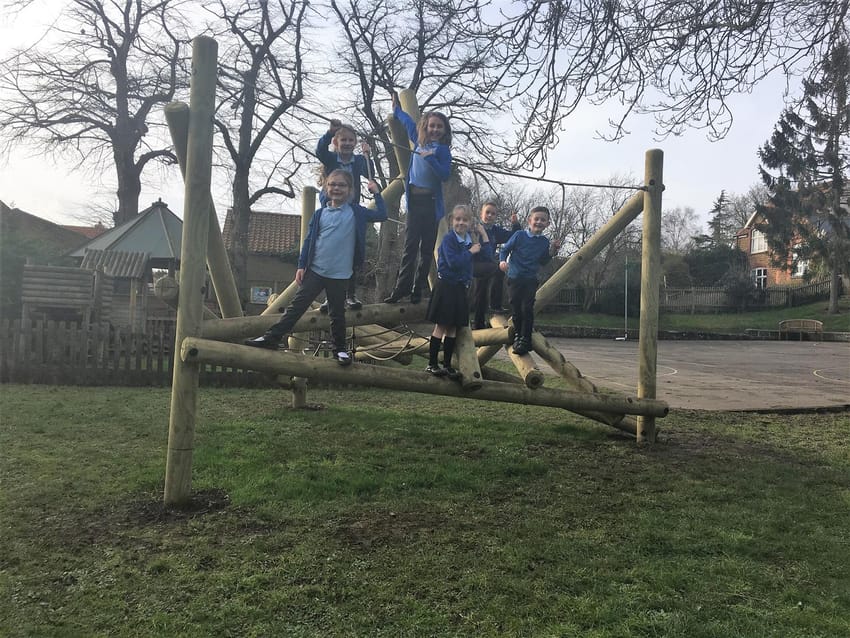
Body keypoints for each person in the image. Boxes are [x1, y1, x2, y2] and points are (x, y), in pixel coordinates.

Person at [244, 170, 387, 366]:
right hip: (317, 270)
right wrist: (302, 265)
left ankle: (340, 350)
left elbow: (382, 214)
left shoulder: (357, 212)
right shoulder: (320, 214)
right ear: (327, 188)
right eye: (333, 185)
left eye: (342, 185)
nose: (336, 188)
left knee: (337, 314)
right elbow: (310, 240)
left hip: (340, 273)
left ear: (350, 190)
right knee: (296, 307)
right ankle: (271, 338)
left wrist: (376, 193)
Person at [384, 92, 453, 305]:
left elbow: (444, 175)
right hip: (415, 203)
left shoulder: (442, 151)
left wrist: (431, 159)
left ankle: (418, 288)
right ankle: (400, 288)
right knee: (410, 247)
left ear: (444, 131)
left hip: (431, 205)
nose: (434, 129)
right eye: (431, 125)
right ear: (425, 127)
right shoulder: (417, 139)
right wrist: (396, 110)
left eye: (439, 127)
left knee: (426, 249)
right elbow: (406, 122)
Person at [315, 119, 375, 311]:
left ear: (355, 143)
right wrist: (329, 133)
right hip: (332, 209)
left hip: (350, 211)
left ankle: (350, 294)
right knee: (331, 252)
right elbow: (320, 151)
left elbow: (370, 173)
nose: (348, 143)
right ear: (336, 143)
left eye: (351, 140)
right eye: (344, 140)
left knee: (350, 252)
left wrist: (368, 155)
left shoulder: (357, 161)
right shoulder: (332, 159)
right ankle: (330, 297)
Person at [424, 204, 481, 378]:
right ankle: (432, 364)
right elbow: (453, 263)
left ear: (470, 222)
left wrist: (481, 237)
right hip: (447, 286)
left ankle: (447, 365)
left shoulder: (469, 241)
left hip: (460, 288)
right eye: (458, 219)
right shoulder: (450, 240)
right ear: (451, 221)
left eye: (465, 220)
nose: (461, 223)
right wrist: (470, 252)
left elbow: (472, 263)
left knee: (453, 329)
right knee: (441, 326)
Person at [499, 206, 555, 355]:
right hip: (515, 277)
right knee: (517, 309)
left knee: (527, 309)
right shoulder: (519, 235)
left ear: (547, 224)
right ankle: (518, 335)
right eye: (536, 219)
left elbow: (543, 261)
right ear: (529, 221)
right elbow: (505, 249)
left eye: (543, 220)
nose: (539, 222)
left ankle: (526, 338)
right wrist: (502, 261)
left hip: (530, 279)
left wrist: (553, 251)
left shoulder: (544, 242)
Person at [471, 202, 520, 329]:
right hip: (474, 264)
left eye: (493, 214)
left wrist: (515, 224)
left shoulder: (495, 231)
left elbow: (514, 237)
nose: (490, 215)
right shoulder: (474, 228)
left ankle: (479, 325)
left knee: (480, 295)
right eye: (487, 212)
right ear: (481, 213)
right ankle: (495, 305)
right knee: (498, 269)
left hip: (487, 265)